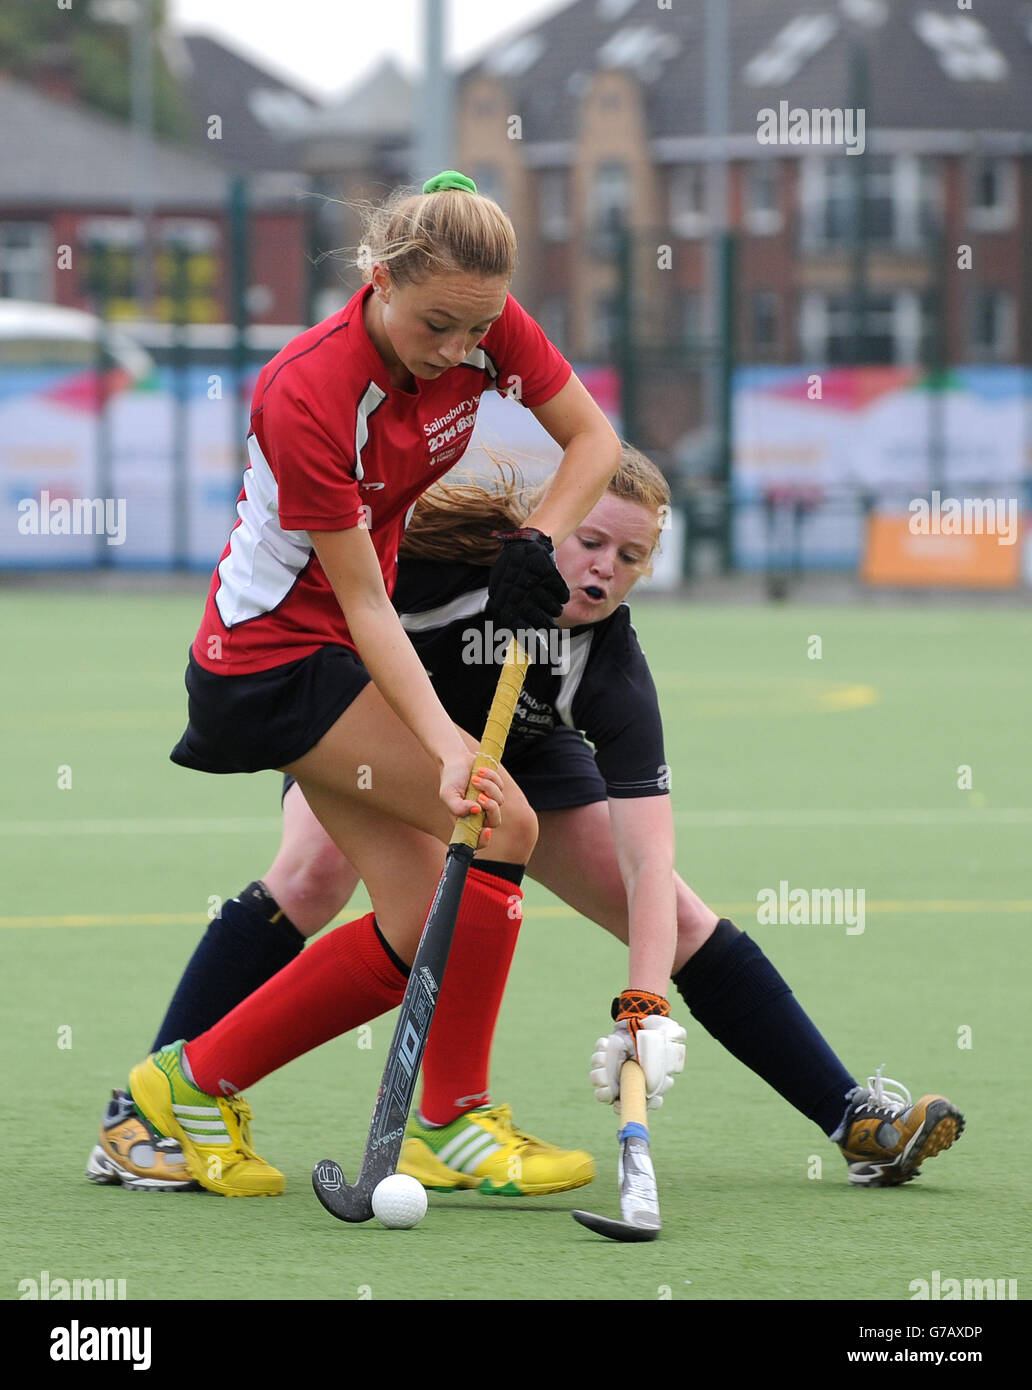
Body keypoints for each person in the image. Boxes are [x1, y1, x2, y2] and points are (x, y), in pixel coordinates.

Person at [90, 446, 963, 1198]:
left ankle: (854, 1120)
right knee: (315, 873)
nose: (602, 570)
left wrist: (645, 1007)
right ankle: (147, 1113)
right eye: (590, 540)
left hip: (526, 755)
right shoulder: (448, 564)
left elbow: (647, 861)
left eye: (630, 557)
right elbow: (333, 594)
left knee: (678, 919)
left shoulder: (612, 667)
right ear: (556, 523)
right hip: (373, 725)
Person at [88, 169, 625, 1198]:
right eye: (435, 327)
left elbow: (596, 441)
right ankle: (453, 1121)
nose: (457, 352)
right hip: (272, 660)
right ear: (376, 277)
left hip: (331, 651)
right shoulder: (310, 389)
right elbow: (365, 606)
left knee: (424, 910)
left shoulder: (483, 318)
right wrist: (445, 744)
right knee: (501, 821)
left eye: (475, 333)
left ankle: (183, 1089)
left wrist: (538, 541)